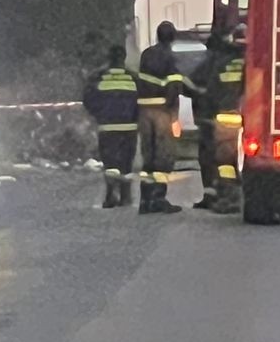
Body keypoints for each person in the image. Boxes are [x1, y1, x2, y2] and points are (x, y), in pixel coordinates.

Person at [134, 21, 195, 214]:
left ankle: (145, 200)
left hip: (144, 110)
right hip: (161, 111)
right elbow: (174, 86)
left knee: (148, 157)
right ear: (173, 37)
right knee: (163, 158)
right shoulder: (170, 58)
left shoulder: (146, 55)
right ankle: (159, 198)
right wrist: (172, 112)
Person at [190, 28, 245, 213]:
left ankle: (229, 195)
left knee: (225, 161)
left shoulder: (221, 63)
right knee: (250, 160)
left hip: (226, 119)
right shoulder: (255, 62)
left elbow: (211, 91)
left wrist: (207, 113)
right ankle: (244, 193)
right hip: (252, 120)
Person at [81, 46, 141, 208]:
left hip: (107, 128)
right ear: (123, 58)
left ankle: (110, 195)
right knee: (126, 164)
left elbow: (88, 100)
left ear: (109, 58)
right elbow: (142, 101)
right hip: (129, 129)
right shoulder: (133, 78)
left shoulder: (98, 77)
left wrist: (99, 115)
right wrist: (136, 117)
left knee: (110, 164)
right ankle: (126, 196)